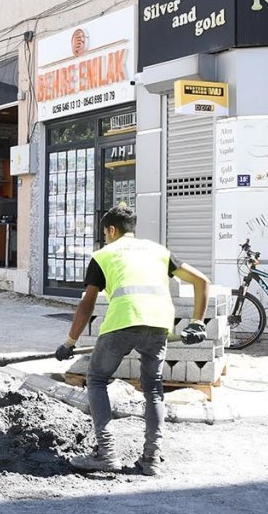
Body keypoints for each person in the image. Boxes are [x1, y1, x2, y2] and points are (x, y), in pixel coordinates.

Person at [56, 204, 210, 476]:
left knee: (97, 379)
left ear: (111, 230)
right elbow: (202, 281)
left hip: (122, 321)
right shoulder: (158, 251)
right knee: (153, 389)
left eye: (105, 234)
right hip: (159, 324)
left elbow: (87, 305)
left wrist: (69, 342)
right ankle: (152, 458)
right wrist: (197, 322)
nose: (105, 239)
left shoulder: (103, 255)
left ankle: (106, 454)